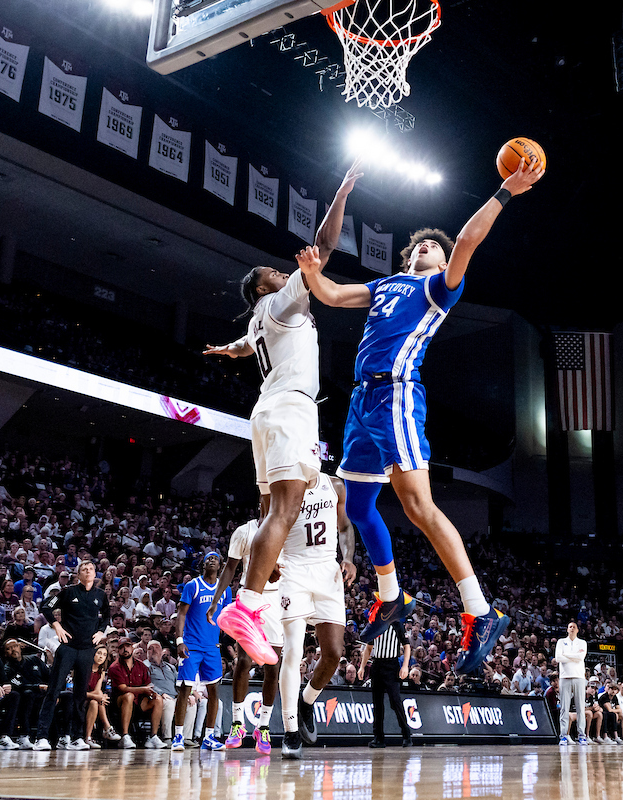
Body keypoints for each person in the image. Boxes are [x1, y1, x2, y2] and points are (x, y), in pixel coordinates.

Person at [296, 155, 543, 673]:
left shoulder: (438, 290)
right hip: (361, 401)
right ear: (410, 256)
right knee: (357, 505)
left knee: (417, 506)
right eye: (422, 245)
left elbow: (469, 241)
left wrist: (505, 191)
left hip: (398, 397)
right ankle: (392, 596)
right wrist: (314, 273)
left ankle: (480, 610)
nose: (429, 247)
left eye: (436, 246)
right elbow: (333, 295)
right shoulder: (385, 286)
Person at [202, 157, 332, 667]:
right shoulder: (281, 302)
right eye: (274, 274)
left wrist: (225, 351)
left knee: (267, 511)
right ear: (262, 289)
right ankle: (248, 607)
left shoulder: (259, 319)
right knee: (287, 508)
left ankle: (259, 594)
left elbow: (241, 346)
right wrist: (341, 189)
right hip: (291, 410)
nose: (283, 273)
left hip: (266, 413)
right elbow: (322, 249)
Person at [276, 473, 357, 759]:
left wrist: (348, 558)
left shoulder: (334, 485)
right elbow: (268, 526)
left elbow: (345, 527)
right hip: (292, 571)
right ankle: (290, 731)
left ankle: (306, 701)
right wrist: (270, 561)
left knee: (334, 653)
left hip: (327, 572)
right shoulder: (283, 484)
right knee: (293, 651)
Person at [209, 518, 282, 755]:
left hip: (278, 600)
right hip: (249, 596)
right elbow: (230, 567)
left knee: (273, 666)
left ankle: (263, 726)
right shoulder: (244, 531)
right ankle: (238, 724)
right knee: (243, 660)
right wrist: (216, 599)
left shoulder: (288, 526)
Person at [33, 560, 107, 750]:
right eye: (84, 569)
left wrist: (102, 631)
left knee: (81, 695)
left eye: (91, 568)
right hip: (67, 648)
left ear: (95, 573)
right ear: (78, 574)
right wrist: (56, 625)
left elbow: (106, 615)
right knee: (54, 690)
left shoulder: (100, 594)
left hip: (87, 650)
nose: (88, 571)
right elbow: (46, 607)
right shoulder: (68, 592)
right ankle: (41, 737)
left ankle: (76, 738)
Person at [171, 552, 231, 751]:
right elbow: (181, 614)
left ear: (221, 565)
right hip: (191, 645)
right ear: (203, 564)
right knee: (185, 689)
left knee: (214, 692)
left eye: (215, 558)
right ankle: (178, 736)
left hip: (212, 647)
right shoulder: (193, 585)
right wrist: (179, 640)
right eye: (208, 558)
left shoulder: (226, 590)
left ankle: (209, 737)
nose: (211, 560)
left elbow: (227, 617)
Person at [360, 619, 411, 748]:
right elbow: (369, 647)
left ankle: (406, 735)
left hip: (391, 665)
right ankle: (378, 738)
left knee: (395, 701)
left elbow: (407, 646)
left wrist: (405, 666)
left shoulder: (396, 624)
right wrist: (362, 667)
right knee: (377, 703)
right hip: (377, 665)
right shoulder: (375, 624)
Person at [109, 637, 167, 749]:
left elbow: (148, 684)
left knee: (158, 699)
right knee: (129, 696)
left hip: (140, 700)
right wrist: (143, 689)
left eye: (127, 646)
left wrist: (151, 692)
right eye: (121, 647)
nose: (125, 649)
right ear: (118, 650)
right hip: (120, 701)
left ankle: (153, 737)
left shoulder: (141, 666)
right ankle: (125, 736)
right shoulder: (114, 667)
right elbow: (122, 688)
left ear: (132, 647)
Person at [555, 621, 588, 746]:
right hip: (565, 677)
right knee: (564, 708)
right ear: (567, 629)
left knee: (580, 707)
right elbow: (558, 658)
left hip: (579, 677)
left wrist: (566, 655)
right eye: (570, 627)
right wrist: (573, 656)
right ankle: (563, 736)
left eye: (574, 627)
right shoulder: (560, 642)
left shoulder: (582, 643)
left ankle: (582, 736)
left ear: (577, 630)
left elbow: (581, 657)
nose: (572, 628)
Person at [82, 645, 119, 748]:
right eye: (98, 653)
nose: (101, 657)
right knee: (98, 699)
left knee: (95, 701)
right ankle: (107, 727)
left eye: (104, 655)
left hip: (92, 699)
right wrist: (99, 697)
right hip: (80, 698)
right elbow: (79, 692)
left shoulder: (101, 672)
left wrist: (100, 697)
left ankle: (88, 738)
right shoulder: (84, 669)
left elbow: (97, 691)